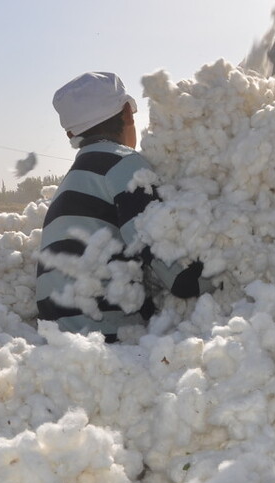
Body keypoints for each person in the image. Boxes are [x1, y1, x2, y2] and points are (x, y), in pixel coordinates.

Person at [36, 71, 204, 341]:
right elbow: (177, 275)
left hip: (57, 341)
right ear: (127, 112)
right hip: (104, 340)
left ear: (71, 133)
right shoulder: (123, 164)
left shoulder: (73, 181)